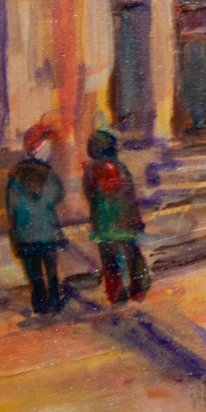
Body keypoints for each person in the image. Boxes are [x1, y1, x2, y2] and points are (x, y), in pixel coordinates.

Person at [82, 128, 151, 305]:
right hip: (126, 220)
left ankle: (117, 294)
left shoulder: (91, 169)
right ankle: (139, 288)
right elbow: (130, 194)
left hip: (104, 224)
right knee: (133, 253)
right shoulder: (121, 168)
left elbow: (89, 194)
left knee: (110, 260)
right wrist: (137, 220)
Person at [4, 124, 68, 314]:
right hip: (46, 230)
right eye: (48, 145)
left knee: (34, 274)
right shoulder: (48, 174)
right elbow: (58, 196)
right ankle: (54, 301)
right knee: (51, 270)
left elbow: (10, 205)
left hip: (24, 233)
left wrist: (16, 228)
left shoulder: (15, 174)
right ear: (39, 146)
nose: (51, 150)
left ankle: (40, 305)